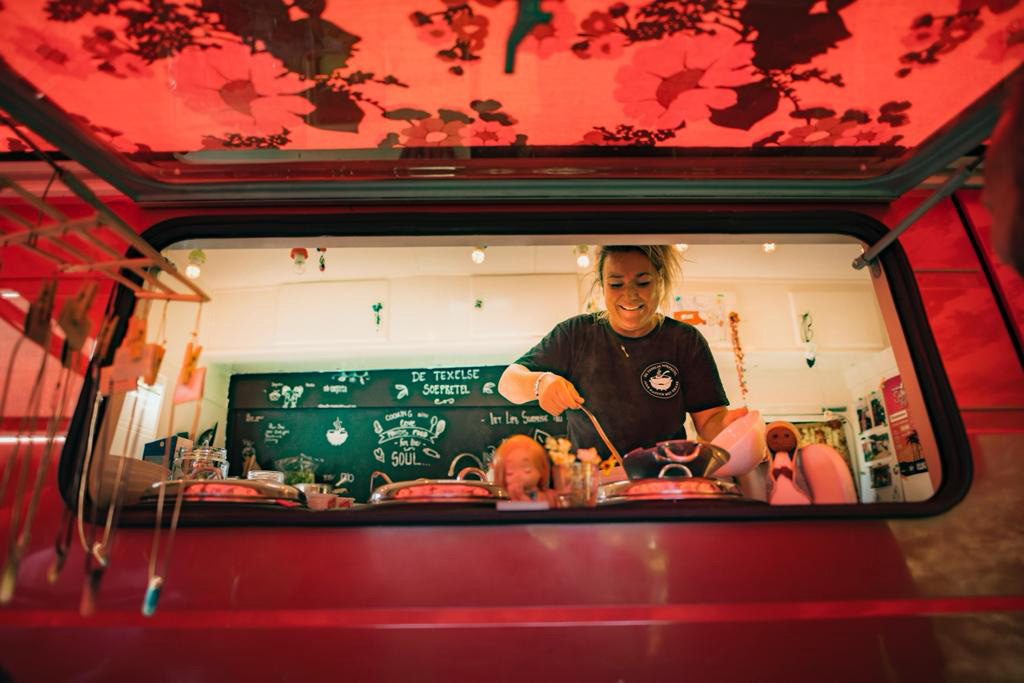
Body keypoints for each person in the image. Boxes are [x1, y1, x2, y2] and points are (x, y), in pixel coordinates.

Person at [498, 245, 747, 462]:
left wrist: (729, 428)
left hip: (664, 481)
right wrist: (540, 383)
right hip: (592, 485)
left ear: (660, 281)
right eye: (616, 284)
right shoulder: (575, 334)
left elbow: (709, 420)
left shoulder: (684, 340)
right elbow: (507, 382)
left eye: (643, 282)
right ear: (602, 286)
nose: (630, 295)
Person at [491, 434, 552, 503]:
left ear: (541, 470)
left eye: (527, 470)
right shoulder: (500, 500)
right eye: (510, 473)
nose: (518, 475)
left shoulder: (550, 498)